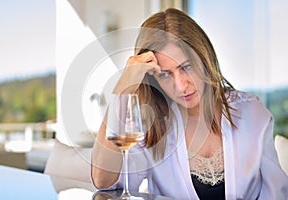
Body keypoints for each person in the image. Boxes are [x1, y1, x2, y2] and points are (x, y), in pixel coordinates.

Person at [91, 8, 288, 199]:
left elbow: (277, 193)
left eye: (186, 67)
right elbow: (103, 181)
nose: (180, 86)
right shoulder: (151, 124)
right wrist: (124, 87)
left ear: (204, 58)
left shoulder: (250, 112)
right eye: (164, 74)